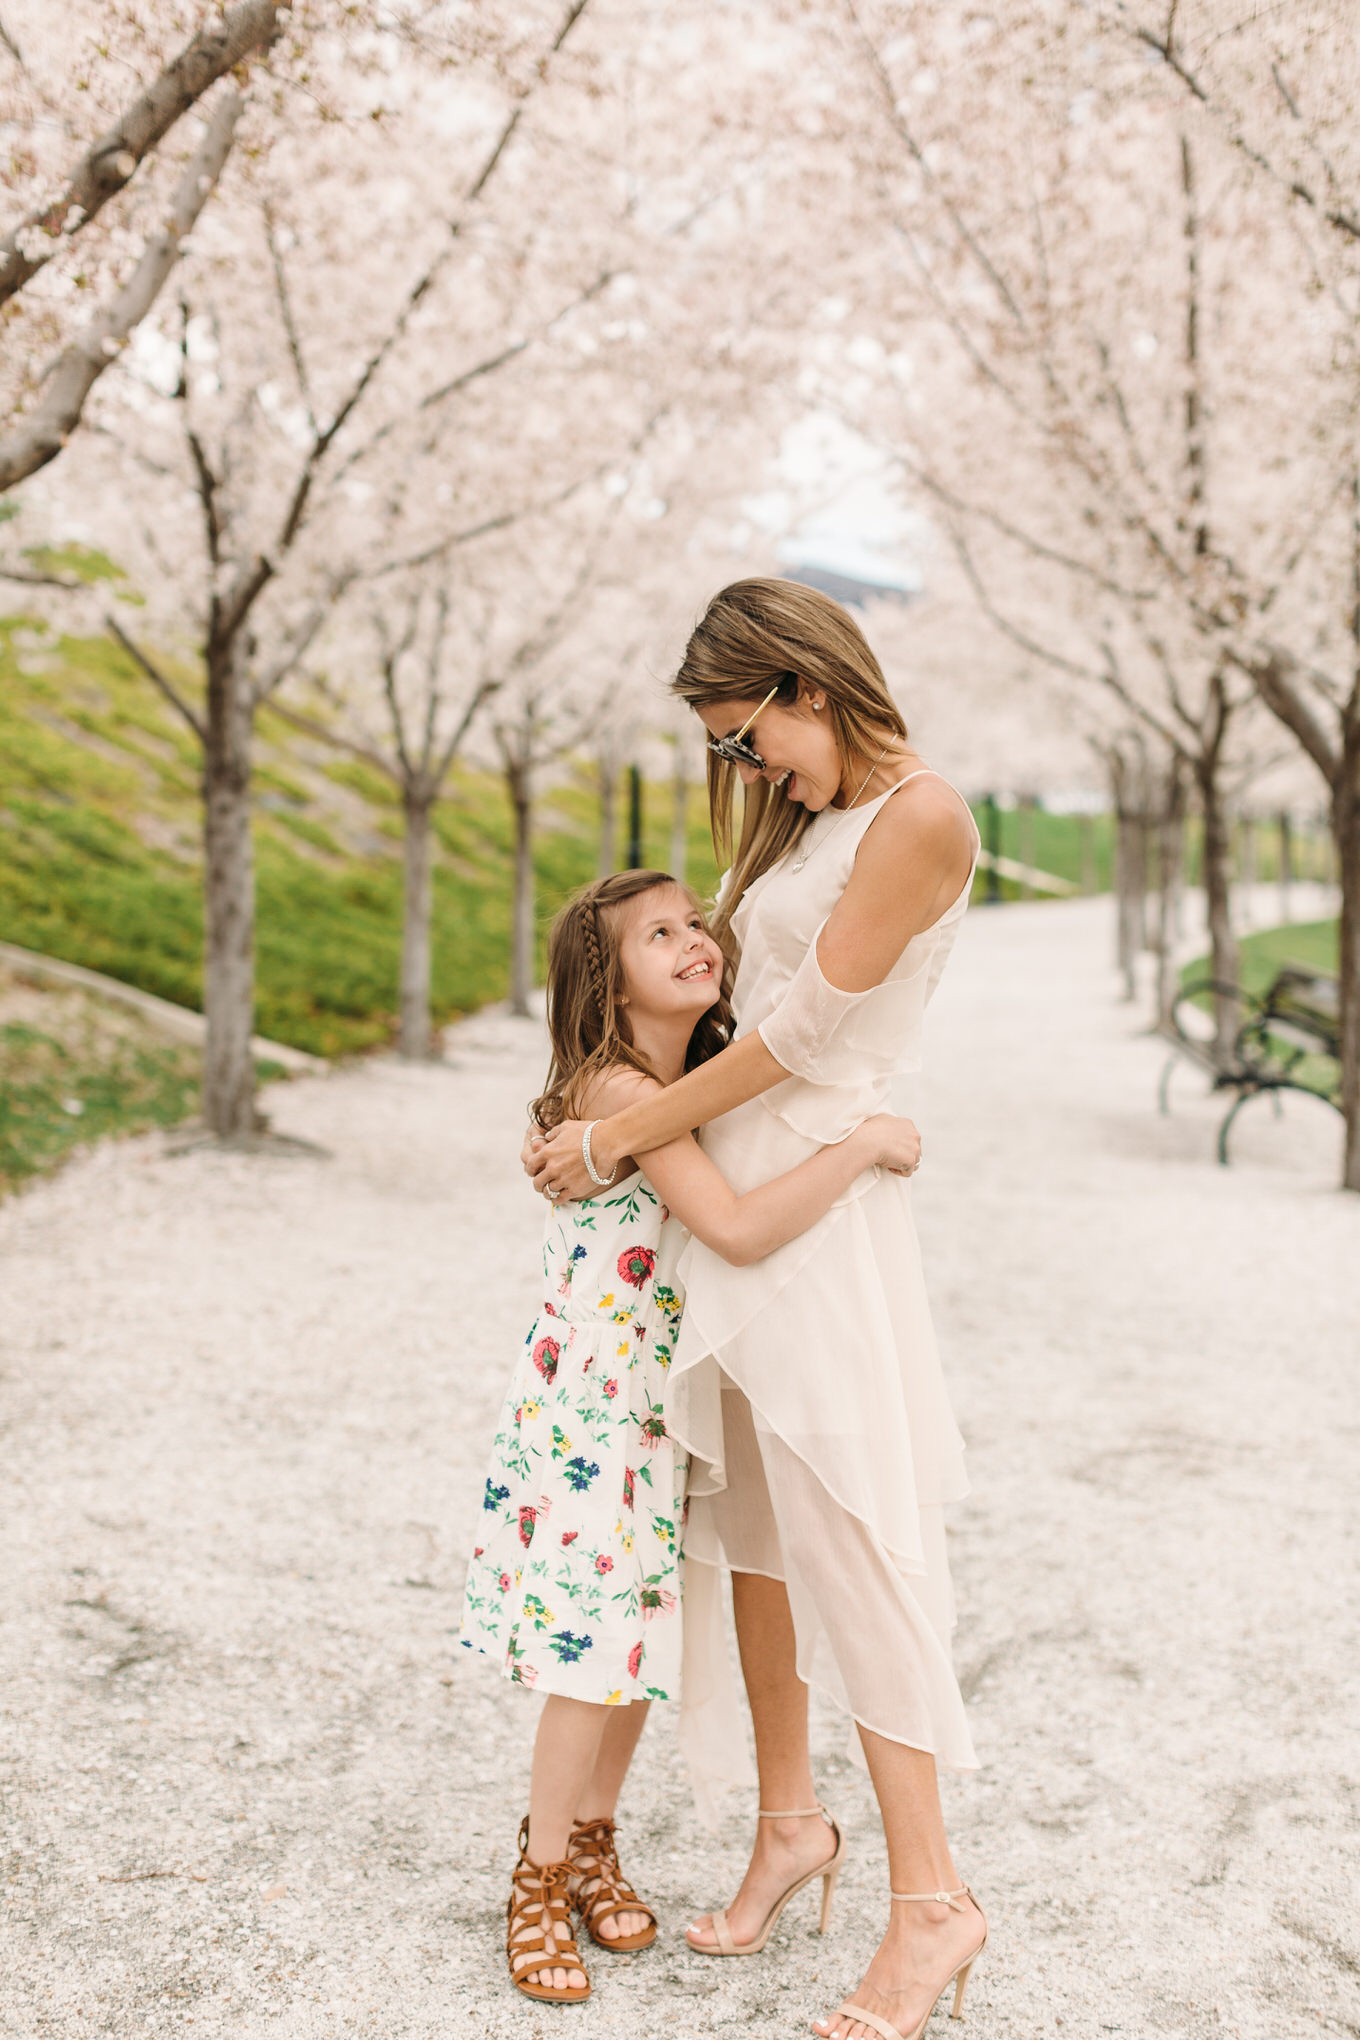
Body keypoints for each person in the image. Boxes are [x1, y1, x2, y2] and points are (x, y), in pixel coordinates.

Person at [524, 579, 989, 2040]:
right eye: (731, 751)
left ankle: (933, 1908)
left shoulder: (921, 816)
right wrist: (611, 1107)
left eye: (749, 737)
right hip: (726, 1210)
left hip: (814, 1213)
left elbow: (795, 1039)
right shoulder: (810, 814)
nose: (748, 772)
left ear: (807, 682)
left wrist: (613, 1141)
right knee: (759, 1551)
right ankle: (792, 1824)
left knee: (857, 1545)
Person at [462, 864, 924, 2006]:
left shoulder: (691, 1081)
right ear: (605, 986)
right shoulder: (621, 1091)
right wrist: (861, 1146)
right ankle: (537, 1872)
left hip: (647, 1412)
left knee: (630, 1649)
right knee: (587, 1655)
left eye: (691, 923)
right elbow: (733, 1228)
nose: (691, 941)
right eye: (654, 935)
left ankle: (590, 1841)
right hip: (598, 1415)